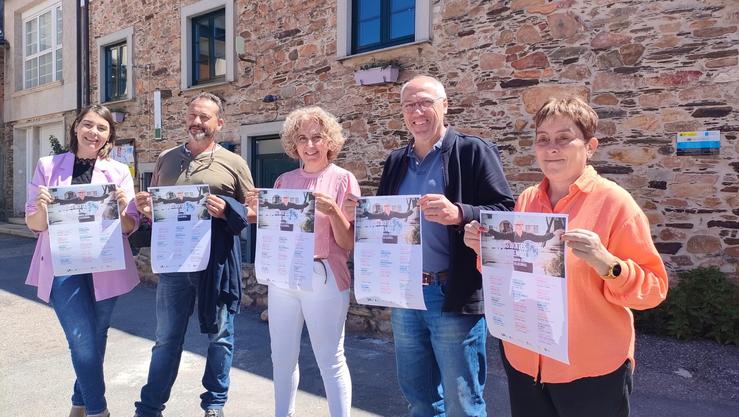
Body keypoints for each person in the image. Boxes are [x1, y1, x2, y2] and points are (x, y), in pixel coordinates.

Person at [463, 96, 669, 417]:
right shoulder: (528, 199)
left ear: (590, 146)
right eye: (543, 140)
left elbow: (654, 289)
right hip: (526, 359)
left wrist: (607, 263)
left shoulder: (616, 203)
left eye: (563, 138)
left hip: (589, 367)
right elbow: (514, 272)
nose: (551, 148)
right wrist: (482, 250)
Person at [344, 75, 515, 416]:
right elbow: (389, 225)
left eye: (425, 102)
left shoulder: (472, 151)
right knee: (419, 398)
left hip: (452, 291)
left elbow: (507, 211)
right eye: (409, 105)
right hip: (406, 294)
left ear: (445, 106)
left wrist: (460, 213)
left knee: (462, 401)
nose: (416, 112)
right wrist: (362, 214)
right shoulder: (396, 160)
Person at [133, 92, 254, 417]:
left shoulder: (234, 162)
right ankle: (149, 408)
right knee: (167, 339)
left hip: (216, 263)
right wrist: (146, 207)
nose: (197, 122)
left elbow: (253, 210)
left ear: (219, 123)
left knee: (220, 337)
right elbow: (156, 207)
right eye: (193, 116)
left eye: (205, 117)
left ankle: (214, 405)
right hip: (174, 264)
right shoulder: (167, 158)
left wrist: (227, 207)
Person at [25, 104, 141, 417]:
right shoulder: (48, 166)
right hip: (62, 267)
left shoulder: (117, 172)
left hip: (105, 263)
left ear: (109, 137)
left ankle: (79, 403)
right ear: (76, 127)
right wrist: (43, 208)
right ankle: (98, 410)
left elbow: (131, 226)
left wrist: (121, 208)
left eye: (102, 128)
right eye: (88, 125)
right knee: (81, 338)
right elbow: (34, 225)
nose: (94, 132)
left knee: (95, 336)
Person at [246, 106, 360, 417]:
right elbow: (276, 228)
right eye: (302, 139)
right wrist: (256, 209)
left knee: (330, 359)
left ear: (329, 142)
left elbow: (349, 242)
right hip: (283, 277)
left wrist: (333, 211)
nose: (310, 146)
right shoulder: (284, 180)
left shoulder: (342, 180)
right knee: (281, 358)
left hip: (323, 276)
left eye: (316, 138)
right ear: (293, 144)